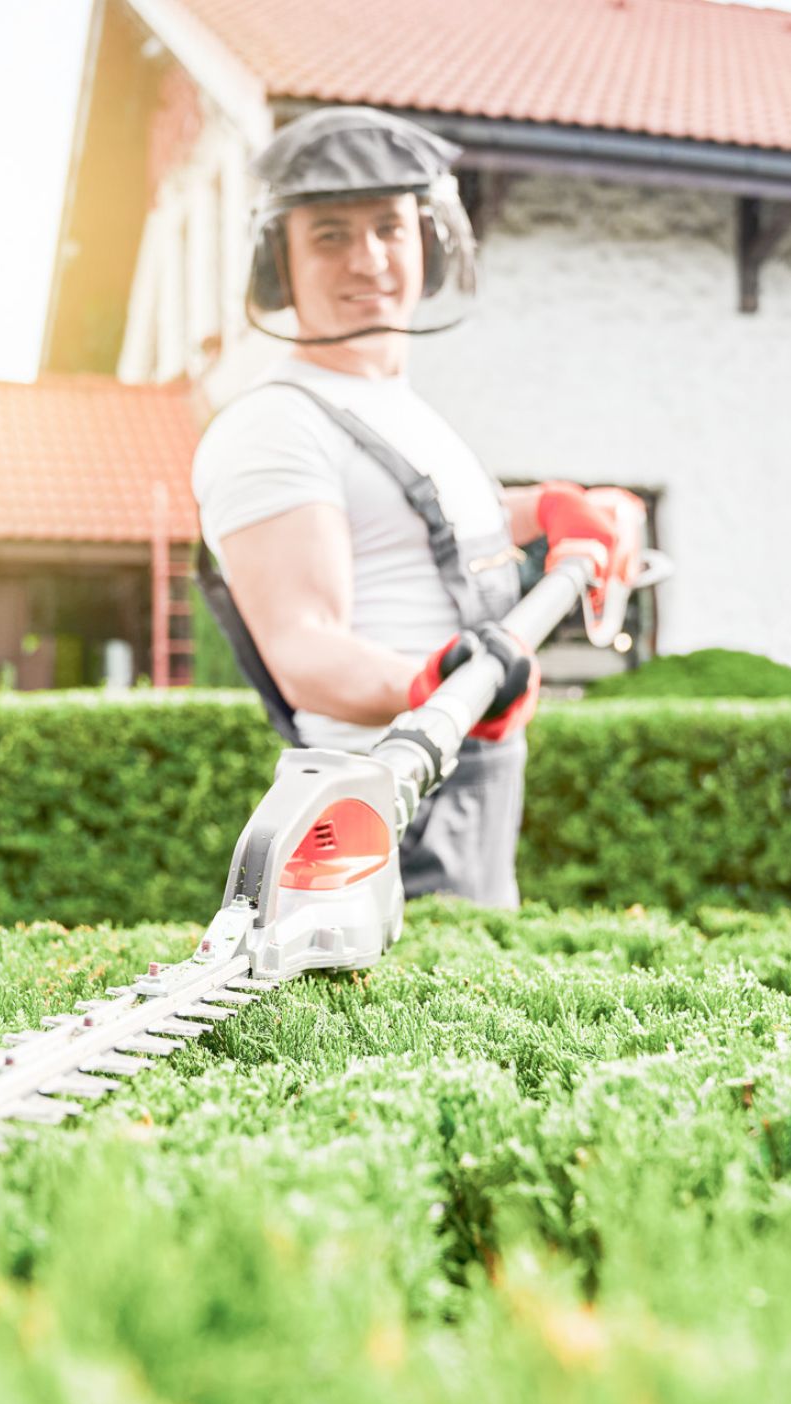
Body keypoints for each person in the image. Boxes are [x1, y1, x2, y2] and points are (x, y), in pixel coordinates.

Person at [192, 106, 642, 908]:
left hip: (467, 785)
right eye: (330, 235)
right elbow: (304, 649)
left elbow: (412, 531)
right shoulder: (275, 424)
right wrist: (440, 683)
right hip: (385, 808)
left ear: (431, 244)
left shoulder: (395, 407)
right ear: (277, 263)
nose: (367, 258)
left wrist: (548, 509)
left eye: (389, 229)